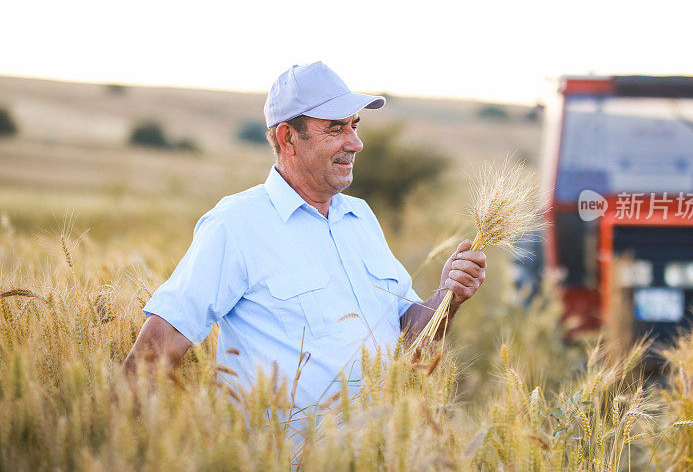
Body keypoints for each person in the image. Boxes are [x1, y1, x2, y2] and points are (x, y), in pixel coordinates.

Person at [123, 61, 487, 412]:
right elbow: (159, 344)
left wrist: (446, 299)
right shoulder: (235, 225)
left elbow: (407, 336)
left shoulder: (360, 216)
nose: (355, 143)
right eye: (335, 129)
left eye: (354, 126)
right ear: (288, 138)